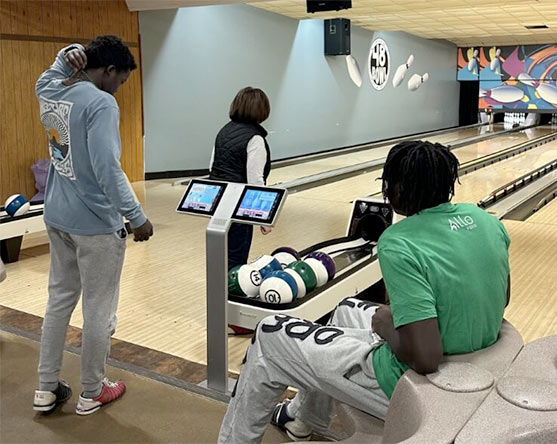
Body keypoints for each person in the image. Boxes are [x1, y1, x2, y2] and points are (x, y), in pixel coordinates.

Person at [217, 140, 511, 443]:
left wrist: (387, 326)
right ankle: (304, 420)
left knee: (268, 334)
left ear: (398, 187)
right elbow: (501, 299)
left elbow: (426, 358)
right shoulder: (487, 222)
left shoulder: (399, 241)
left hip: (416, 385)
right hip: (479, 364)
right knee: (346, 309)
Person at [32, 35, 154, 416]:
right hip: (95, 225)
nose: (119, 89)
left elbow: (45, 78)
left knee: (59, 302)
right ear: (109, 70)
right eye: (120, 81)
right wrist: (136, 216)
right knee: (99, 309)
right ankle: (92, 390)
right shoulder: (101, 103)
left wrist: (64, 58)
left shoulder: (53, 91)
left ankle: (46, 387)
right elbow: (106, 167)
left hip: (57, 216)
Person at [209, 87, 273, 271]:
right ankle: (231, 297)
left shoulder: (223, 132)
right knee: (236, 260)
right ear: (261, 111)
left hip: (219, 204)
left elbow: (212, 166)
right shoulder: (255, 138)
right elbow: (255, 181)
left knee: (220, 256)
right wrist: (264, 219)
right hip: (239, 208)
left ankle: (218, 296)